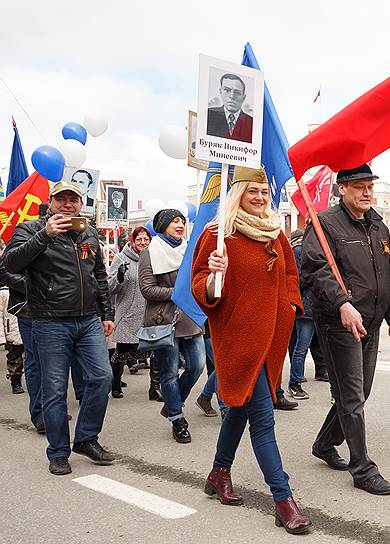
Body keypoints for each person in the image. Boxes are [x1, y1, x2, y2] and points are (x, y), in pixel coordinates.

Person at [191, 165, 311, 534]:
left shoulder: (275, 235)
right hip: (237, 338)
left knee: (239, 411)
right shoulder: (218, 234)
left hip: (272, 338)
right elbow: (199, 286)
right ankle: (283, 499)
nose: (259, 198)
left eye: (263, 192)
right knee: (263, 418)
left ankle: (218, 472)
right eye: (252, 191)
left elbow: (291, 278)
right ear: (238, 193)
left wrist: (290, 306)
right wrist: (213, 275)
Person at [302, 164, 390, 496]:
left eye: (370, 186)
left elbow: (389, 271)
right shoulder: (325, 223)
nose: (367, 192)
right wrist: (343, 303)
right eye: (359, 186)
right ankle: (362, 469)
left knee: (360, 393)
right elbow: (316, 269)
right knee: (352, 396)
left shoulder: (378, 225)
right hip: (339, 321)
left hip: (370, 321)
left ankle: (323, 442)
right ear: (341, 189)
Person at [3, 181, 116, 475]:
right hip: (49, 321)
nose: (68, 205)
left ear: (81, 204)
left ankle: (87, 438)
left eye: (73, 200)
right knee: (54, 390)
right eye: (61, 199)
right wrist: (44, 235)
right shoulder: (30, 229)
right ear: (51, 202)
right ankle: (58, 452)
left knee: (102, 378)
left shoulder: (89, 232)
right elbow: (10, 264)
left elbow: (99, 276)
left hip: (88, 320)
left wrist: (107, 313)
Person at [139, 208, 205, 444]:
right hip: (163, 320)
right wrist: (178, 293)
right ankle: (177, 418)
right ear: (163, 225)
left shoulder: (189, 250)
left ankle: (171, 403)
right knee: (168, 373)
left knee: (197, 366)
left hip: (190, 318)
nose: (180, 224)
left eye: (182, 220)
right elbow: (147, 289)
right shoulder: (150, 253)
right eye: (175, 221)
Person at [107, 226, 151, 398]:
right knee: (122, 352)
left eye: (146, 239)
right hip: (128, 313)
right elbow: (110, 288)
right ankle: (115, 384)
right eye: (139, 239)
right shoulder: (121, 258)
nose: (143, 242)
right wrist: (119, 276)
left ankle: (154, 388)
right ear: (133, 241)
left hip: (148, 313)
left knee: (153, 351)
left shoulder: (153, 257)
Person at [286, 229, 313, 401]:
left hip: (316, 307)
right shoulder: (299, 251)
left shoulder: (312, 251)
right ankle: (294, 383)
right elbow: (296, 280)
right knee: (301, 347)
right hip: (306, 307)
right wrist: (314, 276)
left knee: (302, 346)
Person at [207, 73, 254, 143]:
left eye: (237, 92)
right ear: (221, 92)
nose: (232, 96)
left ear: (243, 98)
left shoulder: (252, 124)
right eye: (227, 90)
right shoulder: (208, 115)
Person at [0, 284, 24, 393]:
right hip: (12, 331)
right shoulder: (3, 292)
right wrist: (2, 338)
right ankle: (15, 381)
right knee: (15, 359)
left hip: (29, 327)